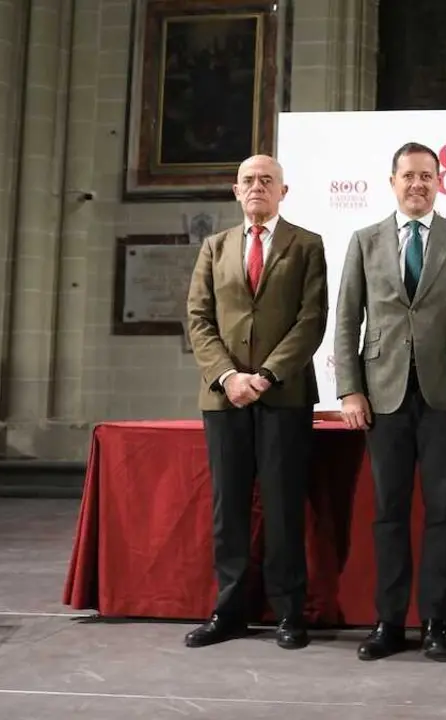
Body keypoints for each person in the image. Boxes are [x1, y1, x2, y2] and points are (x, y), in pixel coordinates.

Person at [333, 141, 446, 663]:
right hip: (382, 396)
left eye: (427, 175)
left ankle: (436, 623)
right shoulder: (364, 240)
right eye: (408, 176)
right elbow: (346, 319)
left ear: (440, 181)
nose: (417, 184)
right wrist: (349, 388)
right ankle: (388, 622)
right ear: (392, 181)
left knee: (445, 511)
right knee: (389, 514)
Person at [183, 154, 329, 651]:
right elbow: (198, 319)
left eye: (267, 180)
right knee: (230, 511)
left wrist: (264, 376)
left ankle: (290, 613)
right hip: (224, 398)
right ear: (235, 190)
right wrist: (229, 376)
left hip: (284, 395)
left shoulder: (307, 245)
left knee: (285, 507)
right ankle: (230, 611)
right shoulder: (214, 246)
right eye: (249, 180)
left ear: (283, 191)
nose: (257, 187)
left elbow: (311, 320)